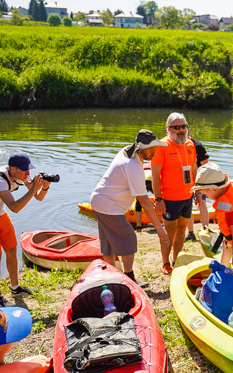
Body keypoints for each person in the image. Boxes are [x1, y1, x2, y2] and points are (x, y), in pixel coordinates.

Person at [90, 129, 170, 285]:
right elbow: (144, 201)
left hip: (100, 201)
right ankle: (129, 278)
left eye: (156, 148)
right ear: (140, 147)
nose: (154, 151)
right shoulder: (132, 165)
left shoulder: (129, 150)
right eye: (151, 148)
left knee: (108, 243)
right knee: (129, 238)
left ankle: (110, 278)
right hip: (108, 205)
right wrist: (160, 230)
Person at [0, 153, 49, 308]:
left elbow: (38, 197)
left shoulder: (21, 176)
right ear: (13, 169)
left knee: (11, 249)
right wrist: (33, 189)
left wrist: (44, 187)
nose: (28, 174)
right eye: (25, 171)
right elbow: (15, 208)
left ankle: (15, 287)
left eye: (29, 170)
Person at [151, 113, 200, 275]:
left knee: (182, 229)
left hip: (188, 196)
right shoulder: (161, 146)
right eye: (176, 127)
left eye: (183, 126)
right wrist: (158, 199)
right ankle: (165, 263)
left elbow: (193, 170)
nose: (180, 130)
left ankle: (176, 260)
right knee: (169, 231)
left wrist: (198, 191)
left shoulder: (190, 145)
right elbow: (155, 176)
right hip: (169, 198)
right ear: (168, 129)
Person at [185, 137, 212, 242]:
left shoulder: (198, 146)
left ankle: (206, 230)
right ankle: (191, 233)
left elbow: (205, 165)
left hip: (200, 179)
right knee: (188, 207)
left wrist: (201, 185)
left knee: (202, 203)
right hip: (186, 180)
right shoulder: (177, 145)